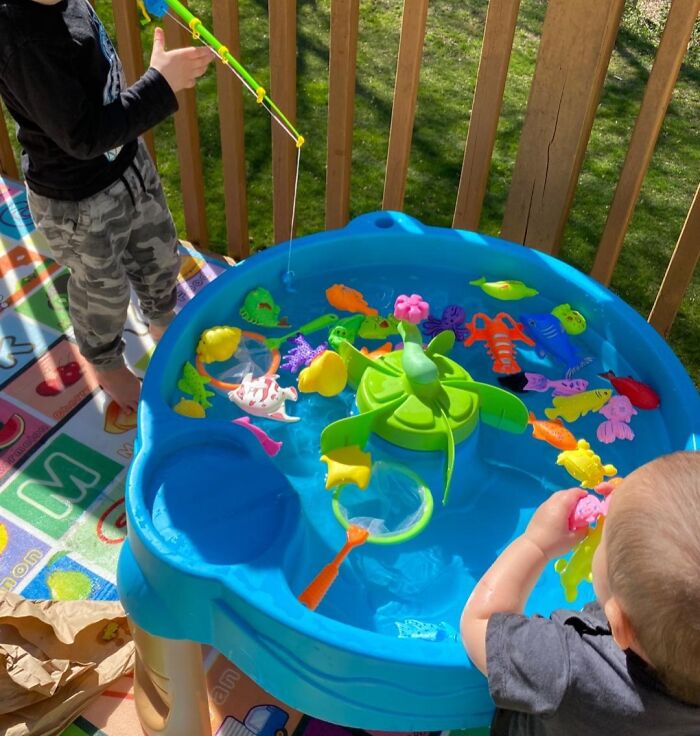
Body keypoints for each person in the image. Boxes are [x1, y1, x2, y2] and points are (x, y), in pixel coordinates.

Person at [0, 0, 214, 412]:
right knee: (104, 289)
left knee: (160, 250)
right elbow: (82, 137)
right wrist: (160, 85)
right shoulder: (24, 40)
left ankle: (160, 315)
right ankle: (105, 362)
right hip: (77, 203)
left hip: (128, 164)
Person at [461, 451, 700, 735]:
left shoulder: (569, 666)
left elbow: (479, 625)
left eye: (606, 540)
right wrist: (637, 503)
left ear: (620, 625)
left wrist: (536, 543)